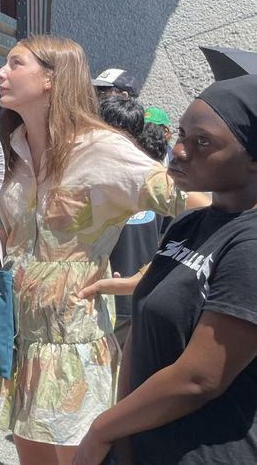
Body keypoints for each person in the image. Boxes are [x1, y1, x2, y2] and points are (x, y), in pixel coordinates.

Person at [0, 36, 204, 464]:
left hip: (74, 341)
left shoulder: (101, 149)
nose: (0, 72)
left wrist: (146, 278)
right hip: (19, 335)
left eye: (15, 63)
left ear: (52, 78)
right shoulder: (13, 152)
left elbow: (194, 202)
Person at [74, 75, 257, 465]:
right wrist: (120, 433)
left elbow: (199, 378)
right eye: (182, 133)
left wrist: (101, 429)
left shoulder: (250, 244)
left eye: (202, 142)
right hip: (143, 446)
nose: (179, 150)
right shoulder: (188, 224)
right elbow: (144, 331)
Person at [97, 96, 170, 348]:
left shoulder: (157, 186)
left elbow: (166, 240)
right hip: (103, 298)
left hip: (141, 295)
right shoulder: (94, 183)